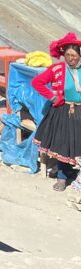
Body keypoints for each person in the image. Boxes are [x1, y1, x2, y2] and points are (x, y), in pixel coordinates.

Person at [31, 32, 81, 192]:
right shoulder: (58, 69)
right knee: (63, 145)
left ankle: (76, 176)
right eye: (67, 55)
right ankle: (62, 178)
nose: (71, 59)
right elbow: (37, 82)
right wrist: (53, 97)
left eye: (74, 55)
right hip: (63, 111)